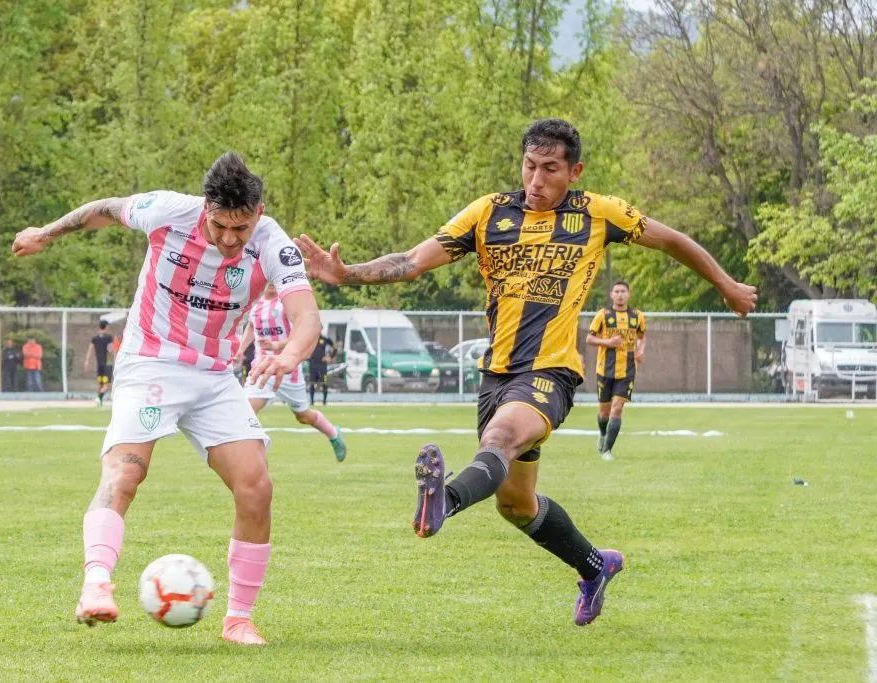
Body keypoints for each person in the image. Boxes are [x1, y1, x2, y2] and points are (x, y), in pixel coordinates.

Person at [294, 118, 756, 627]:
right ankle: (595, 567)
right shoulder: (489, 213)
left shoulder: (598, 214)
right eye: (530, 166)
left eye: (551, 169)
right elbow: (413, 260)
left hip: (551, 373)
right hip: (496, 374)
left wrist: (726, 283)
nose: (537, 180)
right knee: (515, 505)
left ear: (574, 171)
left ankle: (441, 501)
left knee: (500, 436)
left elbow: (672, 241)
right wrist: (348, 273)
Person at [12, 152, 320, 645]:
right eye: (219, 225)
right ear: (205, 208)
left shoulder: (272, 244)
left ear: (258, 213)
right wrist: (46, 233)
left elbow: (306, 315)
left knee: (256, 486)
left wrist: (292, 355)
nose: (228, 239)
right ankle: (96, 584)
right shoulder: (168, 210)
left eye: (240, 228)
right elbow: (106, 208)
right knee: (127, 470)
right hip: (151, 361)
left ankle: (238, 619)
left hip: (216, 376)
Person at [236, 284, 347, 462]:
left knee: (303, 416)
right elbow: (251, 326)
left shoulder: (287, 304)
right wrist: (241, 349)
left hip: (289, 369)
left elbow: (306, 331)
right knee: (244, 411)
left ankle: (333, 433)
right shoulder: (256, 305)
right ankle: (252, 459)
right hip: (262, 369)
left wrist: (277, 345)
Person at [586, 281, 646, 461]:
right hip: (605, 370)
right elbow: (589, 338)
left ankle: (607, 451)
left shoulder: (637, 316)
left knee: (617, 409)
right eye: (617, 291)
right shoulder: (603, 315)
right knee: (604, 412)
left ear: (629, 294)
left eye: (623, 291)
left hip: (627, 370)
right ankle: (603, 433)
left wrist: (641, 349)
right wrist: (608, 343)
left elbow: (642, 336)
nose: (620, 294)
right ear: (611, 295)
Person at [84, 320, 117, 407]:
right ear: (106, 327)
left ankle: (99, 402)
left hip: (99, 364)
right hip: (107, 364)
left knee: (100, 384)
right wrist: (115, 357)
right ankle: (98, 398)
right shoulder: (109, 337)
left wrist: (87, 361)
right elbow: (111, 349)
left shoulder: (94, 338)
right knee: (106, 386)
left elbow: (90, 350)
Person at [307, 333, 337, 405]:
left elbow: (335, 348)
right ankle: (312, 402)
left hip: (322, 365)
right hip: (313, 364)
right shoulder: (309, 338)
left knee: (325, 383)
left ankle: (324, 401)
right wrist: (307, 357)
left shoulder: (324, 339)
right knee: (312, 384)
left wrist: (330, 357)